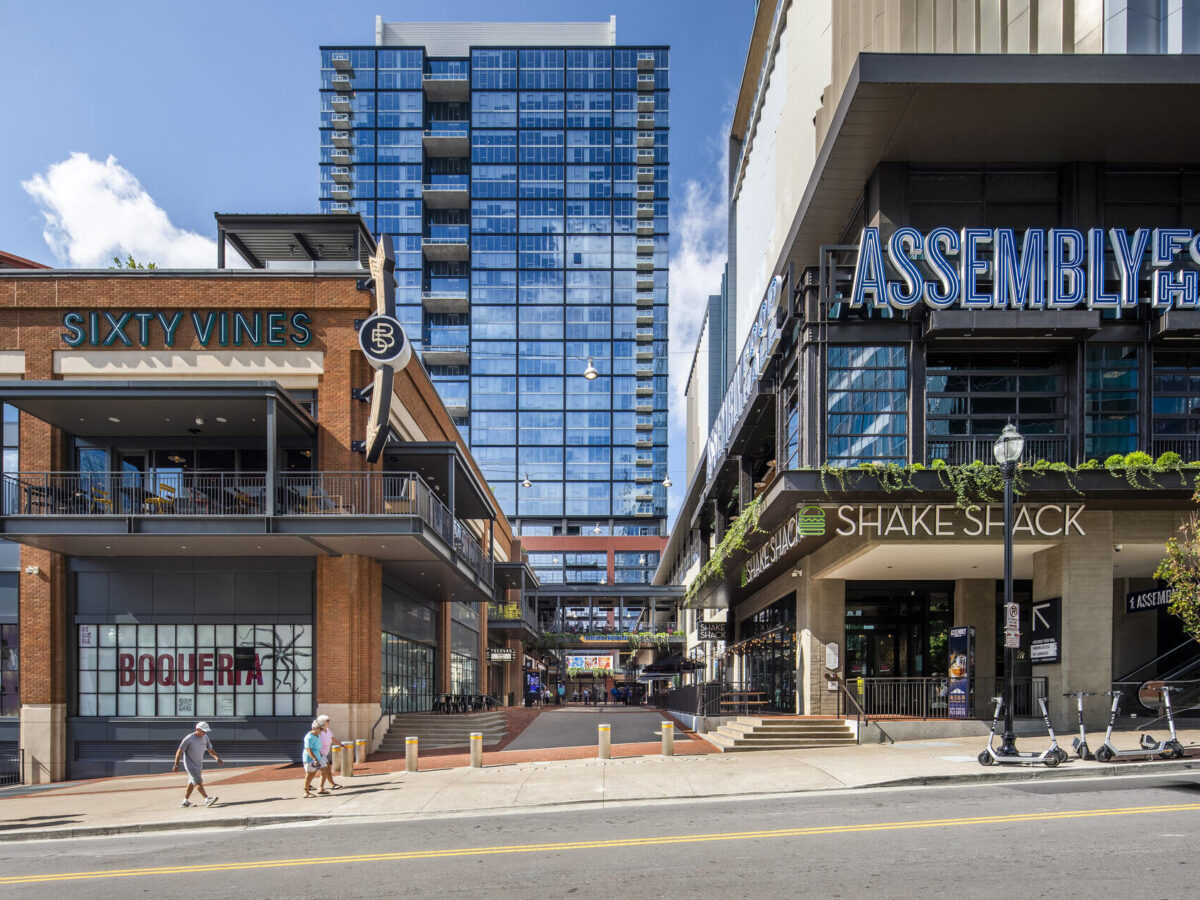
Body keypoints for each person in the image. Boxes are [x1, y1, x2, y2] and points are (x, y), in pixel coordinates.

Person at [173, 721, 221, 808]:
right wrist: (176, 764)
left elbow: (210, 750)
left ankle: (184, 802)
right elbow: (179, 751)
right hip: (190, 764)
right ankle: (207, 799)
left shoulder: (205, 737)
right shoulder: (189, 738)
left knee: (192, 782)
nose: (204, 732)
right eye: (203, 731)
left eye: (205, 731)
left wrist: (217, 757)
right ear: (197, 729)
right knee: (198, 782)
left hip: (198, 764)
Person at [316, 714, 342, 792]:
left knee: (322, 770)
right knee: (326, 769)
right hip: (319, 754)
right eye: (327, 721)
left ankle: (309, 786)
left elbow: (333, 739)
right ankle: (327, 785)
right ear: (322, 722)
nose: (329, 722)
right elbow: (316, 742)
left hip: (324, 754)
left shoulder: (328, 730)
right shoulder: (319, 732)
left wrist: (340, 745)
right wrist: (318, 753)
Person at [303, 720, 326, 798]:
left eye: (322, 729)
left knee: (325, 770)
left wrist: (319, 756)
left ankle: (321, 788)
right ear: (314, 728)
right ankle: (306, 792)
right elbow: (308, 749)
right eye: (320, 729)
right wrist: (315, 759)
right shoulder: (309, 737)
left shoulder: (318, 735)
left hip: (318, 756)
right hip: (310, 758)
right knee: (310, 774)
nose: (322, 731)